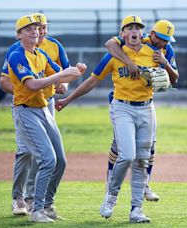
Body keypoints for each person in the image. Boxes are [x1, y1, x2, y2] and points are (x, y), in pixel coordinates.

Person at [55, 15, 158, 223]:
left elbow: (169, 70)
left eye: (138, 27)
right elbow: (93, 81)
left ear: (143, 32)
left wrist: (163, 72)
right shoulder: (114, 54)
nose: (134, 31)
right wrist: (68, 99)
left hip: (147, 107)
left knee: (141, 159)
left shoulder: (153, 51)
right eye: (129, 27)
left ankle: (136, 209)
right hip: (122, 108)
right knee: (127, 155)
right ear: (122, 34)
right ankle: (110, 197)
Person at [7, 15, 85, 223]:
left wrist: (76, 72)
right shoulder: (17, 55)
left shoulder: (40, 54)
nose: (34, 31)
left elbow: (62, 76)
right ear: (19, 35)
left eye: (36, 27)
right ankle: (36, 210)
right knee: (46, 159)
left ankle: (47, 205)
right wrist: (60, 76)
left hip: (43, 109)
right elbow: (31, 85)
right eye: (28, 28)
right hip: (26, 111)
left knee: (60, 160)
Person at [104, 19, 179, 201]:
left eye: (167, 40)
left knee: (149, 147)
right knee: (120, 147)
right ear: (152, 34)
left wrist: (165, 63)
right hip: (122, 101)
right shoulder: (137, 39)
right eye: (161, 38)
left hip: (145, 103)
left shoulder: (166, 50)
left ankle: (145, 186)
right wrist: (128, 62)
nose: (163, 43)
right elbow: (110, 44)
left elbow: (175, 79)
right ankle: (110, 184)